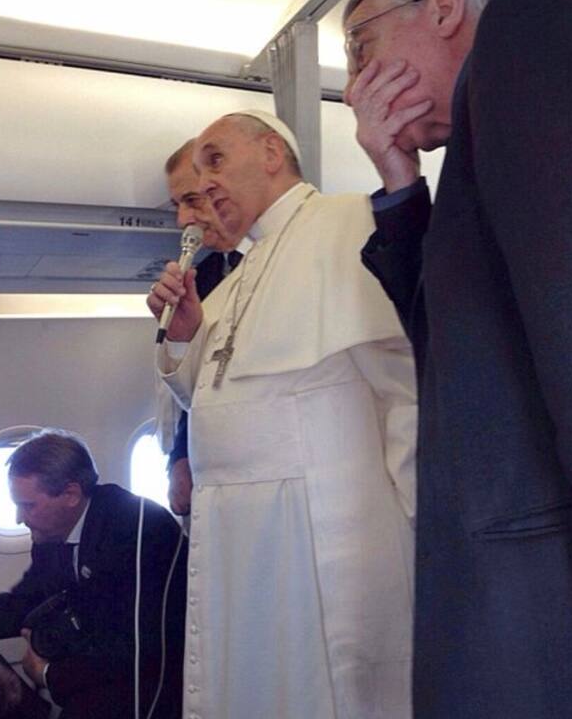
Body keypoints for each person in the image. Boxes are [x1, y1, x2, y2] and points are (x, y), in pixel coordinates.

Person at [343, 0, 572, 718]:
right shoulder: (483, 132)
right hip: (526, 592)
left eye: (360, 48)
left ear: (442, 7)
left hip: (557, 601)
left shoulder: (530, 33)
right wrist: (399, 183)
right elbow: (459, 362)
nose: (353, 87)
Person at [148, 109, 417, 718]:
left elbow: (405, 390)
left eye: (216, 160)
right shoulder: (236, 275)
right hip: (240, 544)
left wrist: (422, 527)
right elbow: (213, 396)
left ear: (271, 153)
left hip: (322, 532)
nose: (204, 183)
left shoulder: (347, 223)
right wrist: (187, 334)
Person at [0, 430, 187, 719]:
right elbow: (24, 603)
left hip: (144, 688)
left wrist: (48, 674)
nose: (19, 519)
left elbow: (136, 650)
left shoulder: (136, 530)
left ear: (70, 494)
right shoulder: (51, 535)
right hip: (93, 668)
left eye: (28, 506)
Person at [158, 139, 246, 516]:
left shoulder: (285, 265)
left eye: (192, 200)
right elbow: (199, 388)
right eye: (177, 205)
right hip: (208, 456)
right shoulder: (205, 274)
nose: (183, 220)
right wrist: (179, 456)